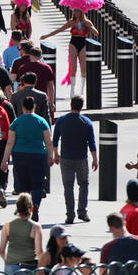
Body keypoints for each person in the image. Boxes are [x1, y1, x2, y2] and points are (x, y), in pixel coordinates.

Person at [0, 97, 54, 222]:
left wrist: (4, 160)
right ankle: (35, 207)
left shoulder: (16, 122)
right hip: (38, 155)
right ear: (34, 106)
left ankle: (25, 209)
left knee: (23, 184)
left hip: (20, 155)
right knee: (37, 184)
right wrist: (50, 156)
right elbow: (48, 142)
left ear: (23, 107)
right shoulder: (42, 121)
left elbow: (9, 143)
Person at [52, 95, 98, 224]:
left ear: (71, 104)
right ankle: (82, 212)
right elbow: (92, 143)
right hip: (81, 158)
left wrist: (56, 154)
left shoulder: (61, 120)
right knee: (83, 185)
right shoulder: (86, 122)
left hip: (65, 158)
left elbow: (55, 140)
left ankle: (70, 215)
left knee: (68, 187)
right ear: (81, 107)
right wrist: (95, 159)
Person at [41, 8, 99, 98]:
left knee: (83, 69)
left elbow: (96, 33)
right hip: (73, 43)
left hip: (83, 43)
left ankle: (81, 90)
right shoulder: (71, 22)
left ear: (81, 11)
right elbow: (59, 30)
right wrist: (46, 36)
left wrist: (90, 26)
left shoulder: (87, 22)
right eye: (74, 11)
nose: (76, 13)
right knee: (73, 68)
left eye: (78, 11)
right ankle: (72, 90)